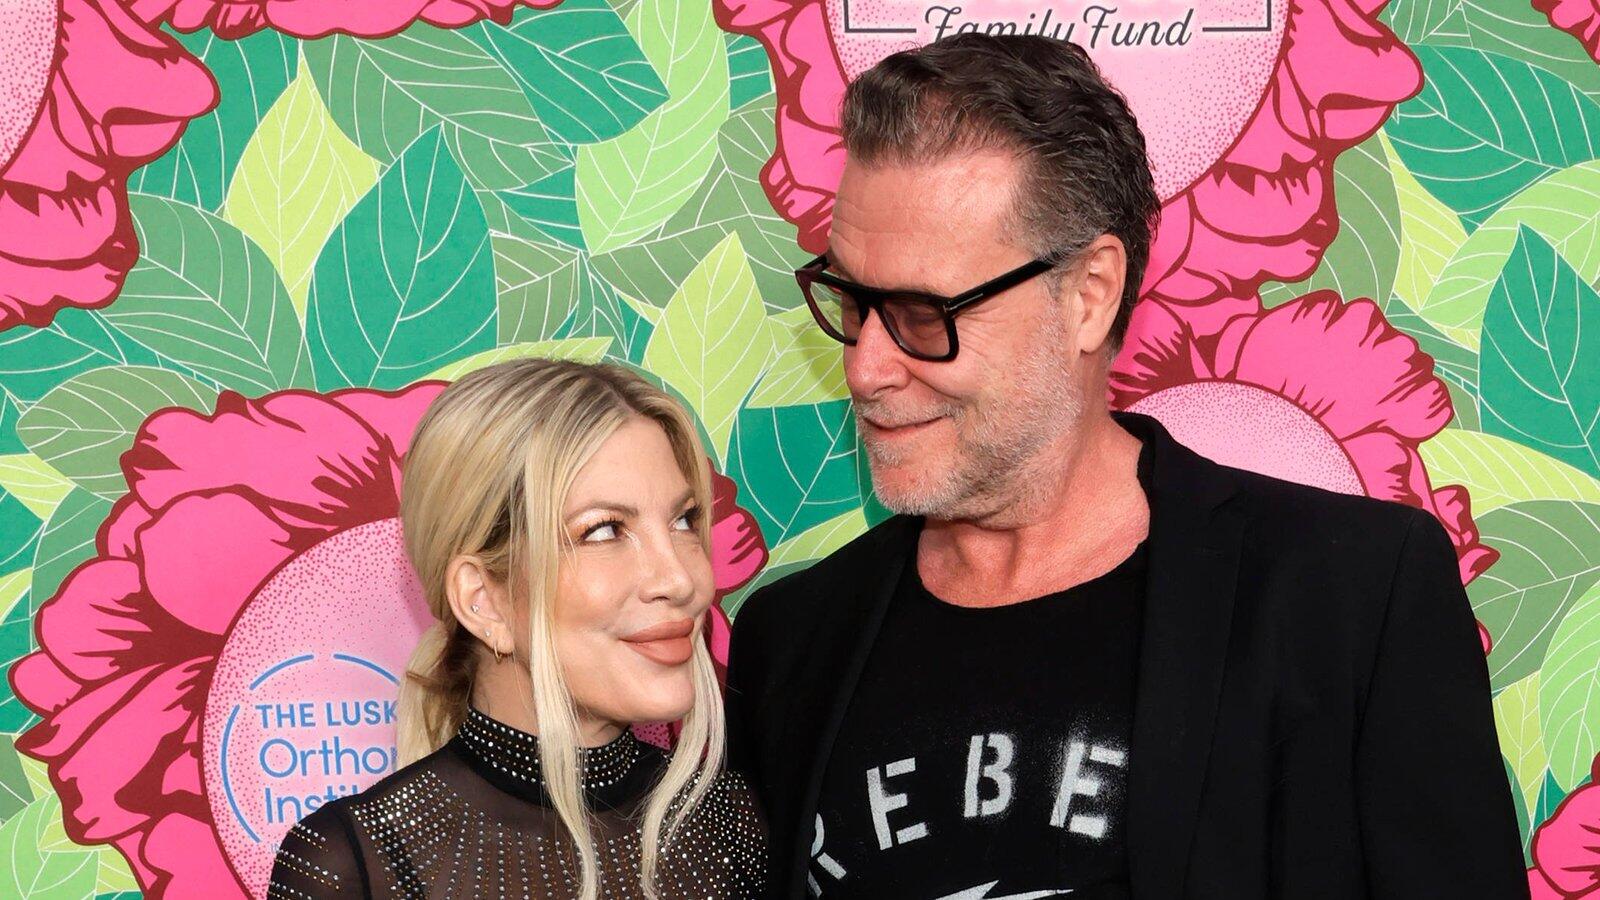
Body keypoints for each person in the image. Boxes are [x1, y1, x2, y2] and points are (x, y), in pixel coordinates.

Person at [725, 33, 1525, 900]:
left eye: (923, 314)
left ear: (1089, 294)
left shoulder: (1351, 597)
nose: (865, 367)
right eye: (852, 300)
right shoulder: (791, 641)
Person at [269, 359, 766, 899]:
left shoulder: (727, 820)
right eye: (604, 530)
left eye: (684, 520)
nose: (680, 579)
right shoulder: (356, 862)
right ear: (483, 601)